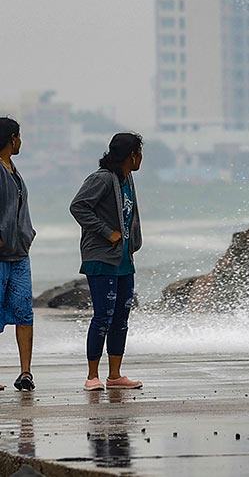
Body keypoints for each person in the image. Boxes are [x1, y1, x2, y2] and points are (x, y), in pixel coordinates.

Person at [70, 132, 144, 391]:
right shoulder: (101, 179)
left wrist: (130, 242)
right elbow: (78, 207)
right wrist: (107, 232)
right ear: (132, 155)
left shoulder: (127, 178)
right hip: (101, 259)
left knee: (121, 317)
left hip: (124, 259)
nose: (141, 158)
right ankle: (92, 376)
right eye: (139, 153)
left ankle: (115, 375)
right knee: (103, 316)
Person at [0, 117, 36, 391]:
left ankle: (25, 373)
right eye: (19, 136)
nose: (21, 141)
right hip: (1, 256)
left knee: (24, 313)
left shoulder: (12, 169)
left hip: (19, 254)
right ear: (11, 138)